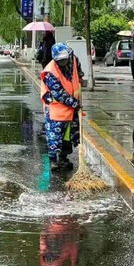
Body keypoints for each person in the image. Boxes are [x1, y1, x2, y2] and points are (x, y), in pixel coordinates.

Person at [40, 43, 82, 171]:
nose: (64, 62)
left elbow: (78, 73)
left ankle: (63, 158)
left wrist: (80, 78)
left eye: (65, 59)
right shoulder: (49, 72)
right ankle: (53, 161)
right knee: (54, 136)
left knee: (68, 136)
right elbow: (59, 94)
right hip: (56, 109)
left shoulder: (73, 60)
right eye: (60, 60)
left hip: (71, 108)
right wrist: (75, 103)